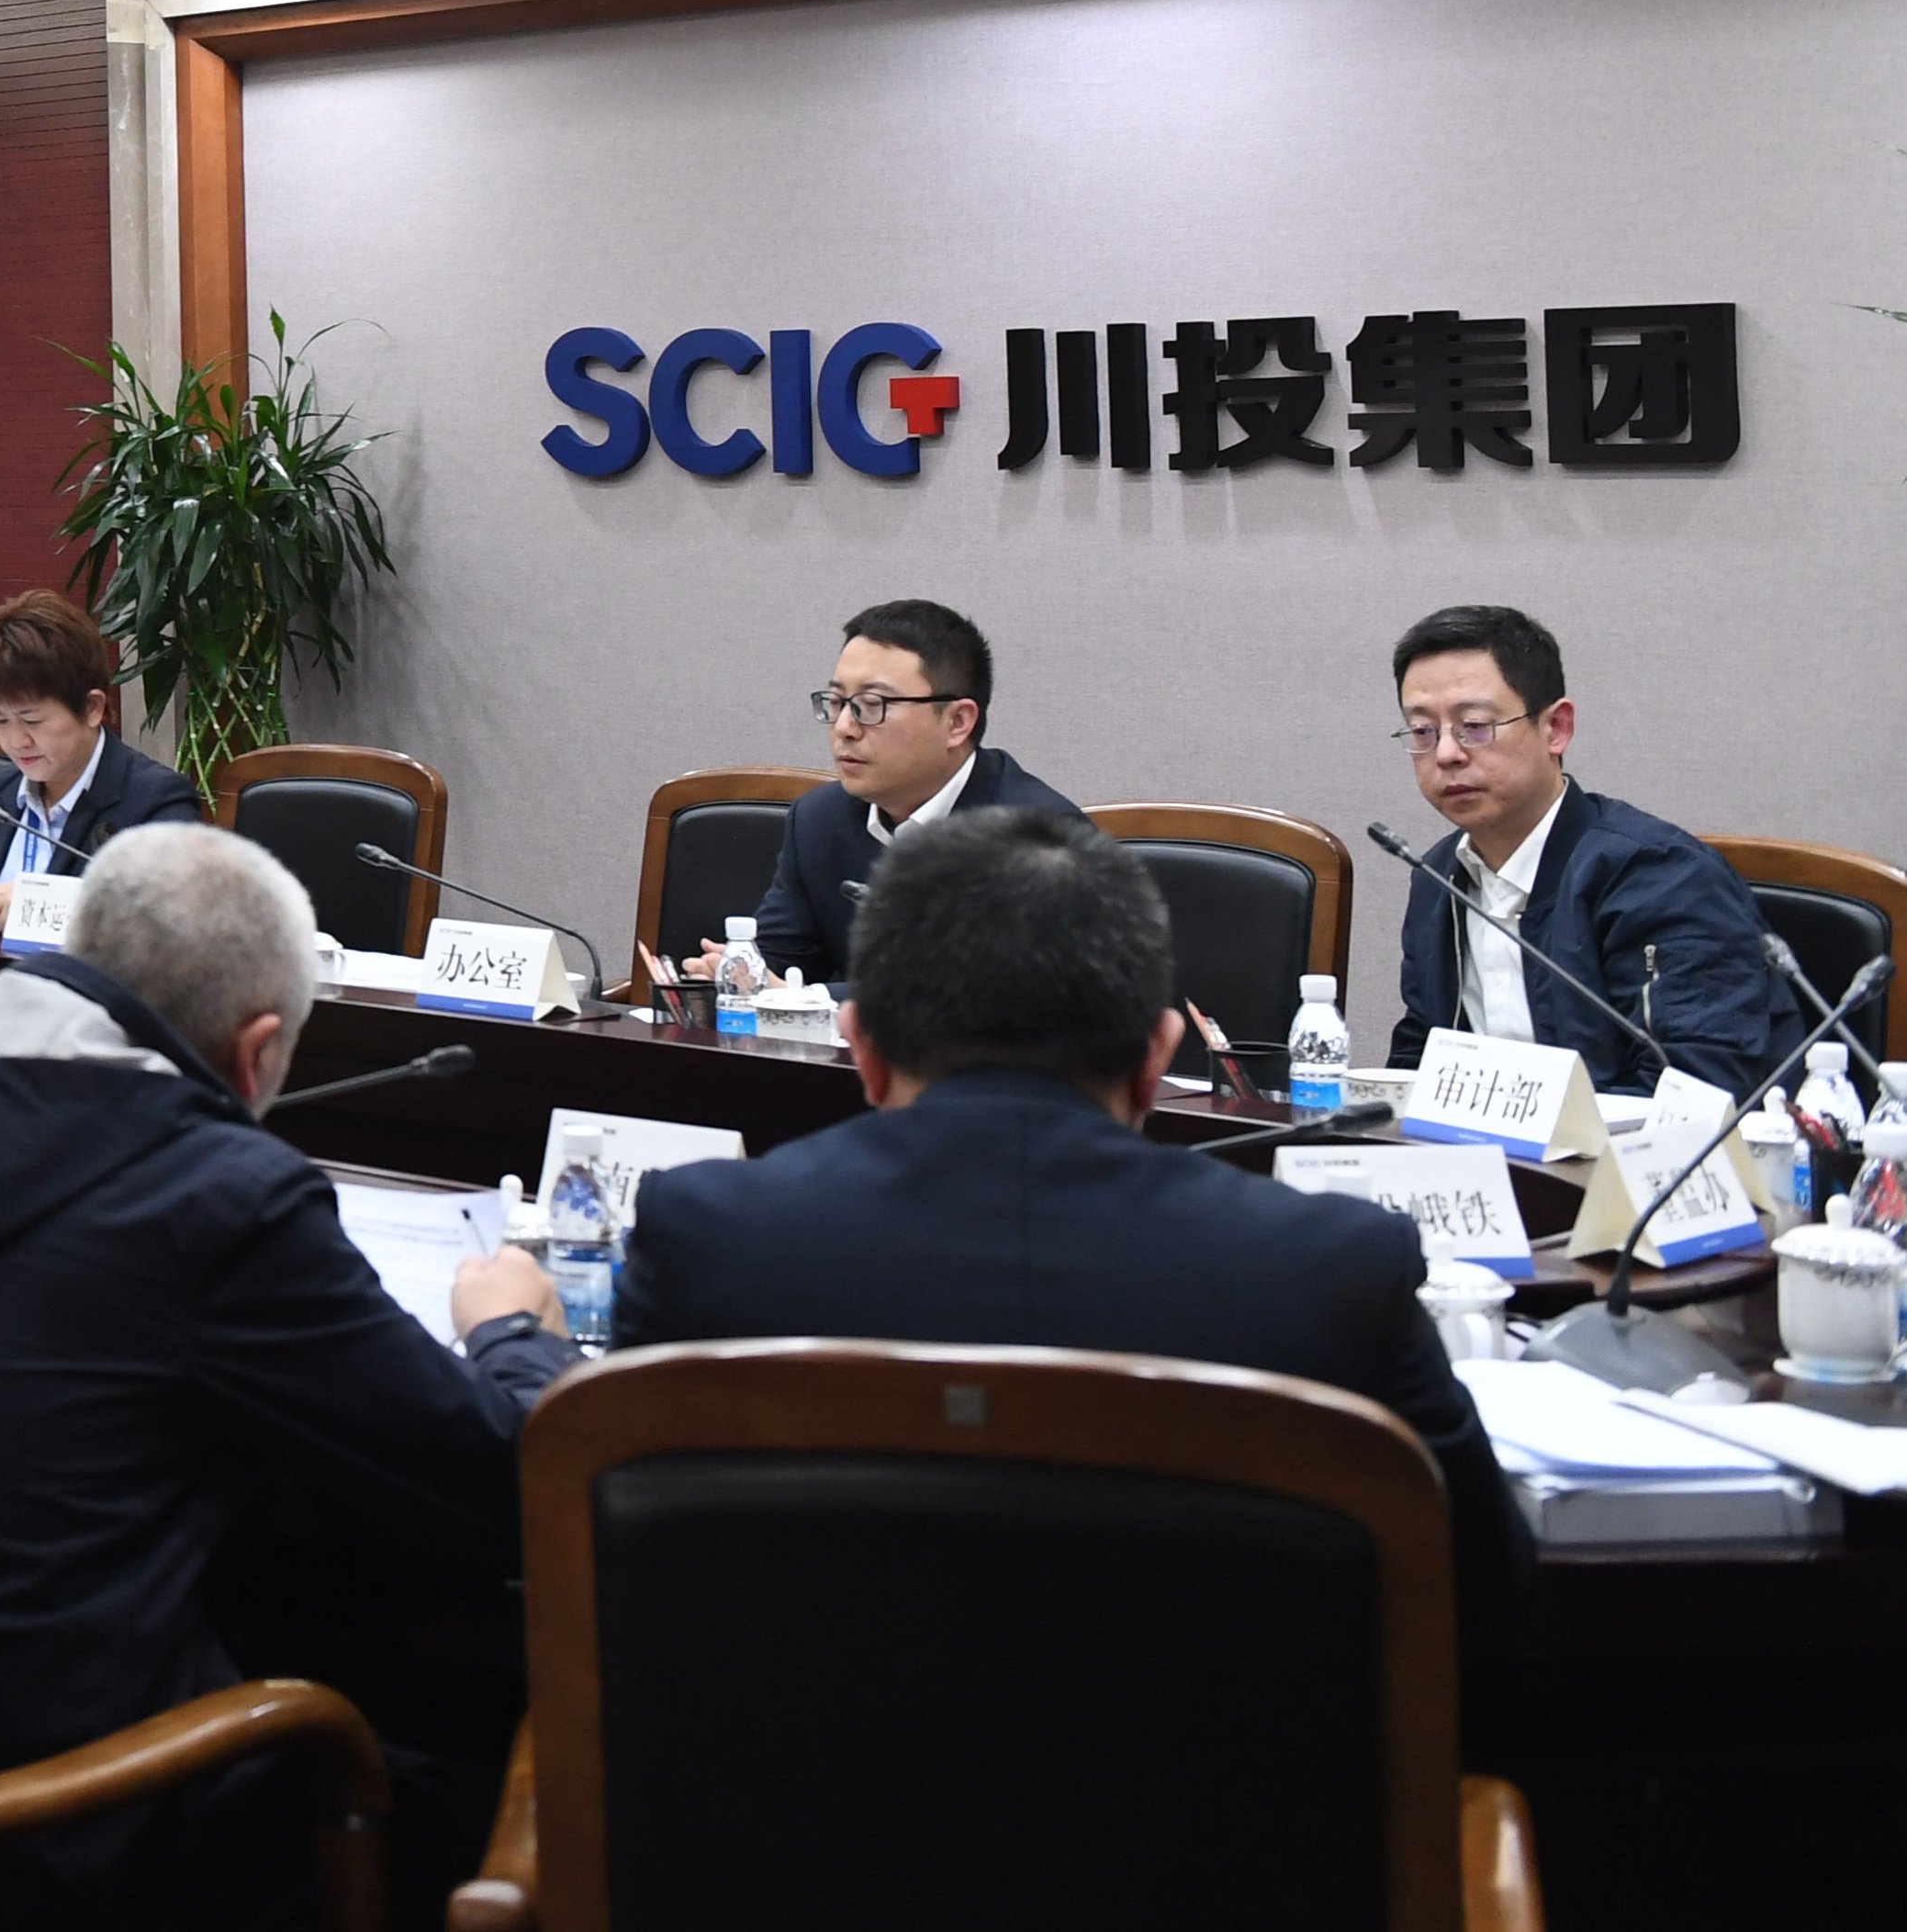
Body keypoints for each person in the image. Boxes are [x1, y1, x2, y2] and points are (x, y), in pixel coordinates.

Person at [0, 823, 574, 1932]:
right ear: (256, 1051)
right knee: (510, 1779)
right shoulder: (211, 1194)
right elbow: (509, 1484)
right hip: (75, 1828)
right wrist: (513, 1332)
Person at [617, 806, 1528, 1676]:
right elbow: (1491, 1599)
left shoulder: (706, 1237)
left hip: (791, 1785)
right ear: (1157, 1057)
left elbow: (610, 1571)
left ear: (861, 1048)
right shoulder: (1337, 1271)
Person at [1384, 603, 1794, 1095]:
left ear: (1555, 728)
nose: (1447, 753)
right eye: (1423, 731)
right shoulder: (1437, 877)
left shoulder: (1661, 876)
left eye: (1474, 725)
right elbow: (1419, 1058)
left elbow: (1692, 1089)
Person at [702, 597, 1085, 987]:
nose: (844, 727)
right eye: (837, 702)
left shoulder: (1039, 841)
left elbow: (987, 999)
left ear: (957, 722)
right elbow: (778, 962)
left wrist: (798, 999)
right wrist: (733, 974)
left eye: (872, 704)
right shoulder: (818, 820)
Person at [0, 588, 200, 934]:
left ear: (92, 708)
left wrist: (35, 902)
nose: (17, 741)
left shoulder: (155, 799)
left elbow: (167, 915)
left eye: (33, 721)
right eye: (1, 721)